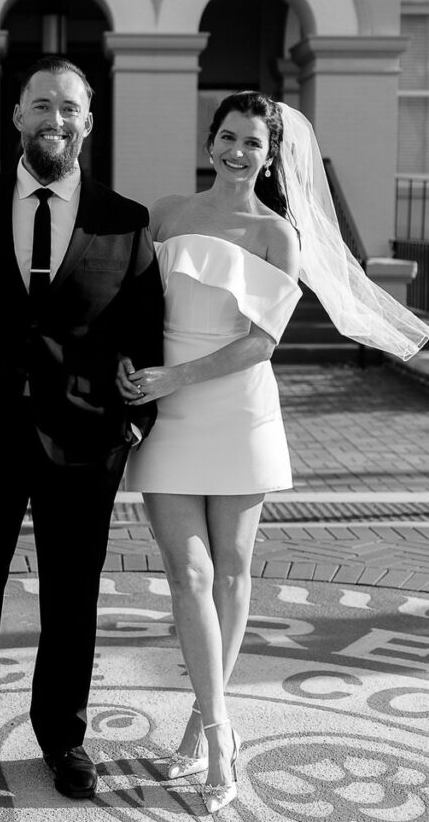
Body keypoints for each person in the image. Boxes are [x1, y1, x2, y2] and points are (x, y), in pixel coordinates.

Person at [118, 91, 429, 816]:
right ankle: (220, 728)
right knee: (185, 572)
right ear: (209, 139)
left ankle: (204, 725)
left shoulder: (276, 235)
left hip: (234, 406)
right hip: (164, 411)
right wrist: (136, 372)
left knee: (229, 570)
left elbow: (261, 343)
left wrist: (175, 375)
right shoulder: (164, 212)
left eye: (251, 143)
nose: (235, 151)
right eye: (226, 136)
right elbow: (131, 306)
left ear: (270, 156)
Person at [0, 55, 164, 799]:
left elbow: (144, 329)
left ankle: (62, 738)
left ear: (89, 122)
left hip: (84, 439)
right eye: (41, 104)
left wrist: (135, 420)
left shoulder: (125, 220)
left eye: (70, 107)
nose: (56, 118)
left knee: (71, 593)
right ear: (17, 117)